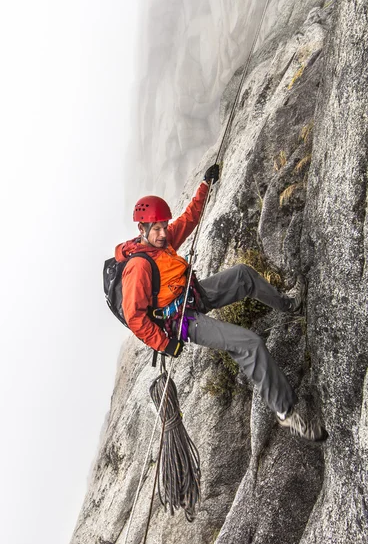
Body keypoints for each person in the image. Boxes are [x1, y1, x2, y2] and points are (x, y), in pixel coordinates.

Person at [116, 165, 327, 442]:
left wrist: (205, 184)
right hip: (183, 321)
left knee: (243, 275)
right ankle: (286, 413)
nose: (164, 233)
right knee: (249, 343)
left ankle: (290, 305)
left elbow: (189, 219)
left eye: (164, 227)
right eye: (157, 228)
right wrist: (166, 344)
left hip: (193, 295)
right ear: (142, 229)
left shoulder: (162, 243)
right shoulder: (139, 266)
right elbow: (135, 318)